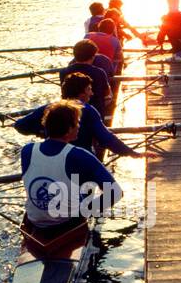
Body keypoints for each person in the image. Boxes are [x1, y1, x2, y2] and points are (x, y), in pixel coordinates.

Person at [21, 100, 123, 234]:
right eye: (77, 122)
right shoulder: (80, 155)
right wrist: (86, 210)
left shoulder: (27, 150)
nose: (79, 126)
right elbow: (115, 192)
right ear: (69, 129)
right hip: (67, 224)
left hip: (35, 222)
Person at [13, 72, 141, 158]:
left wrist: (43, 131)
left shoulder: (50, 107)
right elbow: (106, 138)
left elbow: (20, 125)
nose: (92, 93)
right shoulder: (88, 110)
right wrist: (131, 153)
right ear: (81, 93)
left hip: (54, 158)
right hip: (82, 159)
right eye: (89, 89)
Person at [60, 40, 113, 112]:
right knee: (109, 96)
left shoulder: (63, 72)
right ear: (93, 56)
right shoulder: (99, 72)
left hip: (71, 111)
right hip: (95, 110)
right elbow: (107, 93)